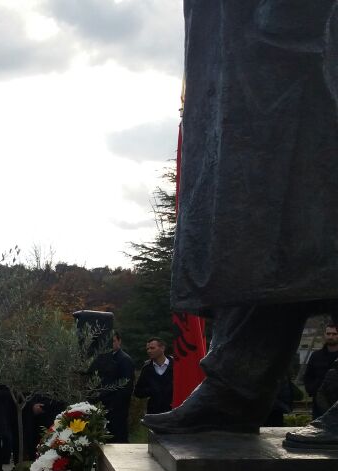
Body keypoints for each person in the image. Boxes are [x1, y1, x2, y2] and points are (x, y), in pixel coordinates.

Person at [144, 4, 338, 448]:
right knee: (261, 241)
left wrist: (292, 25)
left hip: (291, 59)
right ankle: (234, 389)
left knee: (317, 222)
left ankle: (234, 389)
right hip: (243, 75)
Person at [94, 332, 135, 443]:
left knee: (118, 439)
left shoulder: (124, 359)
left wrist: (113, 405)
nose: (110, 344)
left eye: (113, 341)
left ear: (119, 341)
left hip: (116, 409)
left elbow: (126, 387)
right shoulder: (103, 358)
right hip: (103, 406)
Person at [302, 323, 338, 419]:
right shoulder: (316, 356)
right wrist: (313, 389)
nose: (331, 336)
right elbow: (308, 376)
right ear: (325, 335)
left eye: (334, 334)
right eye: (328, 333)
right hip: (319, 402)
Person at [134, 337, 174, 416]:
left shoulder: (176, 366)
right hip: (154, 413)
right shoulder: (146, 369)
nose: (149, 351)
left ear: (162, 348)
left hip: (174, 411)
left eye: (152, 348)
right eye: (147, 349)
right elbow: (138, 392)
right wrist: (152, 390)